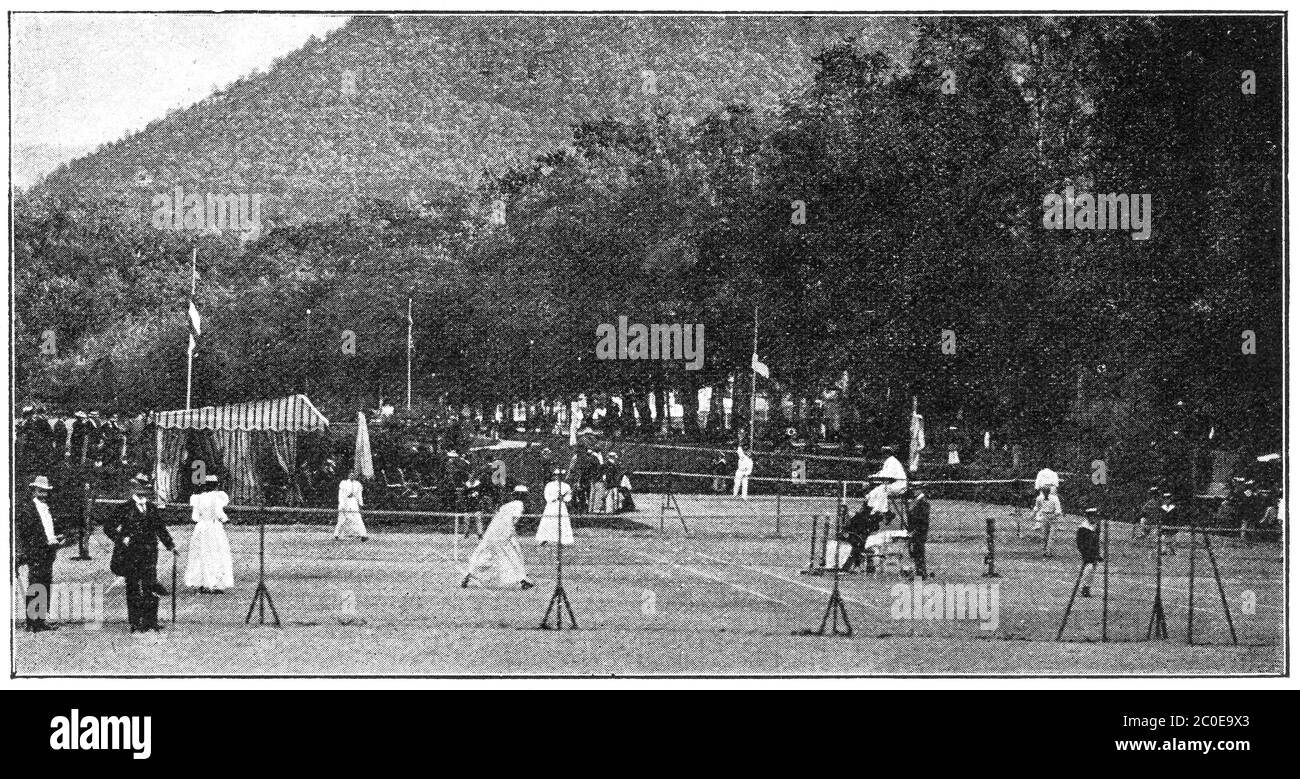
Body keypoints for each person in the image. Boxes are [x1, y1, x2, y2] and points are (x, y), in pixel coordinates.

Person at [103, 474, 176, 632]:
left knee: (150, 585)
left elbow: (160, 528)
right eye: (140, 486)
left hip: (150, 553)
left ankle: (151, 620)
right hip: (131, 554)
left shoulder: (151, 508)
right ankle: (135, 621)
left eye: (146, 487)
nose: (144, 490)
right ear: (134, 488)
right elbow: (108, 526)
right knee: (133, 587)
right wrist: (122, 538)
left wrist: (170, 545)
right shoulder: (125, 508)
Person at [461, 485, 534, 590]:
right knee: (513, 556)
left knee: (485, 556)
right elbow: (514, 521)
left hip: (492, 533)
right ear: (522, 495)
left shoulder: (507, 505)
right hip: (504, 535)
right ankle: (522, 580)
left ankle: (468, 575)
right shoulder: (519, 504)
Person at [16, 475, 64, 632]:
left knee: (45, 584)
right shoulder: (27, 509)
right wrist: (25, 551)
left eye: (45, 491)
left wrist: (56, 538)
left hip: (49, 551)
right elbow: (23, 533)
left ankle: (41, 620)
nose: (43, 493)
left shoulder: (48, 508)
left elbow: (48, 530)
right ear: (33, 490)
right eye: (40, 490)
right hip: (36, 552)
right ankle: (32, 622)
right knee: (35, 585)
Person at [185, 474, 234, 593]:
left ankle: (201, 583)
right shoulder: (217, 497)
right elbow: (219, 512)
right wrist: (225, 519)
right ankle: (215, 583)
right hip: (213, 527)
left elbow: (195, 517)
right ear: (216, 486)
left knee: (200, 554)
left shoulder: (198, 498)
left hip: (201, 528)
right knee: (215, 553)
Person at [865, 445, 908, 524]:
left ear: (887, 454)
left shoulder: (892, 461)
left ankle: (879, 513)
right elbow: (882, 473)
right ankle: (884, 512)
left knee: (882, 489)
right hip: (894, 483)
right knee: (876, 491)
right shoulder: (889, 461)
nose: (882, 455)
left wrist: (874, 478)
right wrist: (873, 477)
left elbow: (886, 475)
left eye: (884, 453)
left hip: (899, 484)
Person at [535, 468, 574, 546]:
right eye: (557, 475)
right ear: (555, 476)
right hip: (551, 506)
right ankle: (544, 539)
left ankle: (563, 541)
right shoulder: (549, 485)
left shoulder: (566, 486)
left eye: (561, 475)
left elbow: (569, 497)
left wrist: (564, 498)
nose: (559, 477)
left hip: (561, 506)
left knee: (562, 522)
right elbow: (546, 496)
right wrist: (555, 498)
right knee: (549, 521)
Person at [1076, 507, 1104, 597]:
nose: (1095, 518)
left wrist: (1098, 553)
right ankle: (1085, 587)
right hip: (1086, 550)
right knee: (1089, 567)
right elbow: (1080, 543)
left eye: (1095, 516)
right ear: (1088, 517)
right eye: (1092, 516)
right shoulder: (1083, 527)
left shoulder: (1095, 526)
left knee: (1093, 568)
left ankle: (1087, 587)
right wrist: (1085, 553)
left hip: (1094, 550)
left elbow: (1097, 541)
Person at [334, 471, 368, 541]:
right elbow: (341, 495)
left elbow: (359, 495)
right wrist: (342, 505)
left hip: (353, 502)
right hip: (345, 501)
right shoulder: (344, 483)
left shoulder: (358, 484)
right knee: (341, 519)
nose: (352, 476)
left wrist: (361, 504)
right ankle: (336, 534)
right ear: (348, 475)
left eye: (353, 475)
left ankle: (363, 535)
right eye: (350, 475)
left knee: (358, 518)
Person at [1031, 485, 1062, 558]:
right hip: (1044, 517)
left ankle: (1048, 552)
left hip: (1053, 517)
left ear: (1049, 491)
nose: (1046, 493)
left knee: (1052, 536)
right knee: (1044, 535)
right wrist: (1032, 515)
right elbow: (1037, 507)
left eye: (1047, 492)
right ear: (1042, 492)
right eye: (1044, 492)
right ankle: (1045, 550)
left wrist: (1054, 515)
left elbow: (1058, 510)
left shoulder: (1055, 498)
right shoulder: (1039, 498)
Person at [907, 488, 931, 579]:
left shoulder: (923, 502)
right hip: (918, 531)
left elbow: (921, 518)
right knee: (917, 552)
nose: (913, 491)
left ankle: (921, 573)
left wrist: (914, 529)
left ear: (920, 490)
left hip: (919, 531)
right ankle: (920, 572)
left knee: (919, 552)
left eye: (916, 489)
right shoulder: (918, 501)